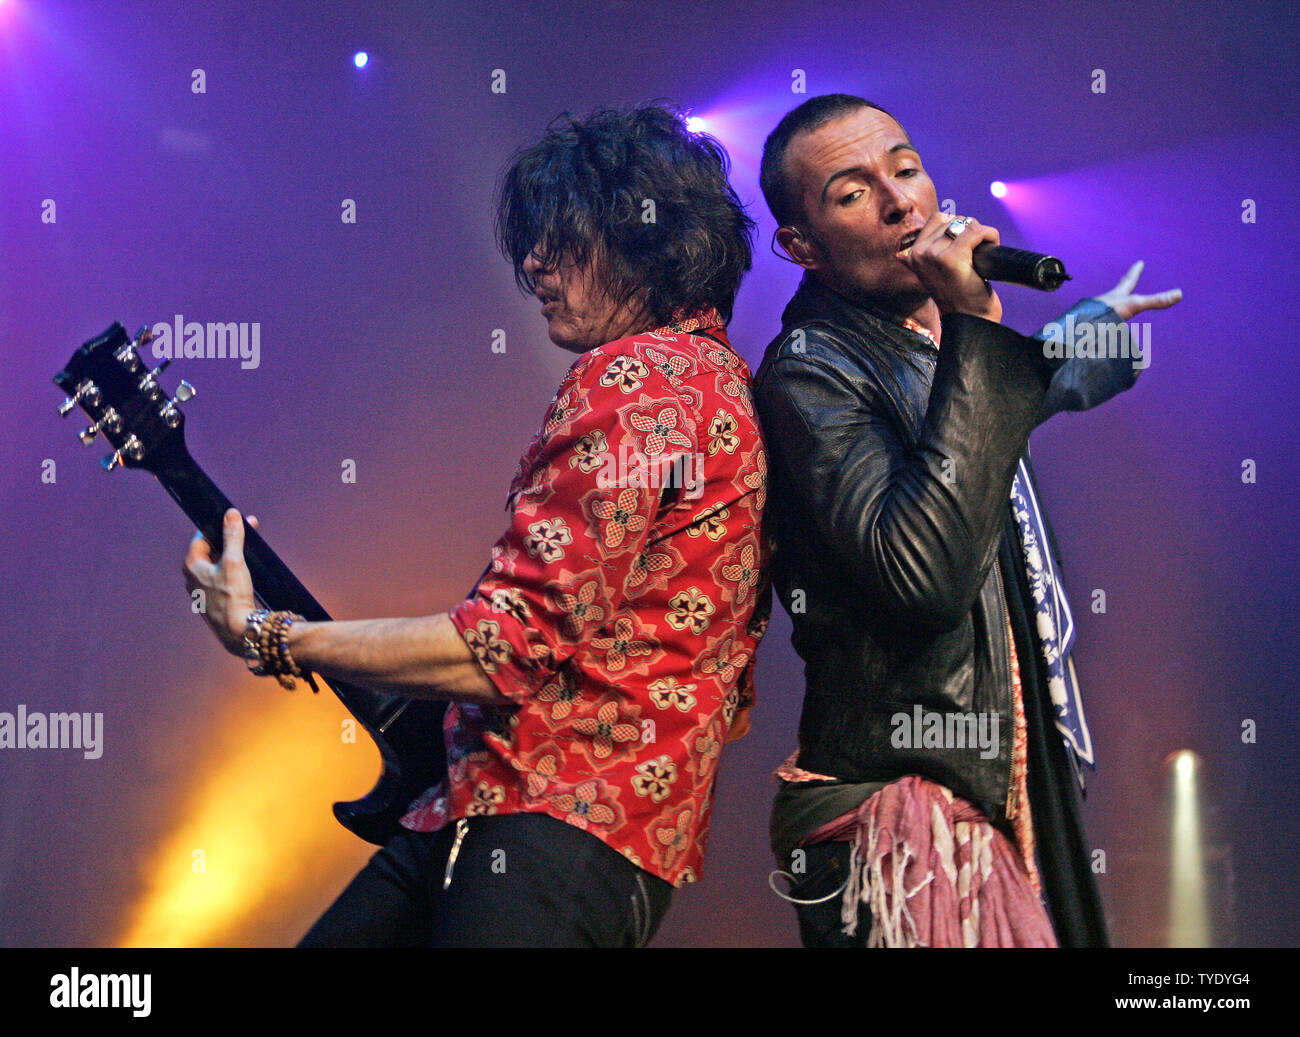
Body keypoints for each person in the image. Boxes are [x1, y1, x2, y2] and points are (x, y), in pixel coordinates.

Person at [183, 103, 768, 947]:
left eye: (558, 239)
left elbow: (502, 647)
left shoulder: (636, 375)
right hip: (537, 820)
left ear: (645, 241)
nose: (532, 264)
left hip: (546, 825)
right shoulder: (718, 384)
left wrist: (269, 634)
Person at [753, 94, 1181, 947]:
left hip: (991, 791)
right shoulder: (810, 373)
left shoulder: (922, 351)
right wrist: (978, 323)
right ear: (801, 246)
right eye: (852, 192)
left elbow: (1015, 398)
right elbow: (925, 572)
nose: (901, 200)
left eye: (905, 169)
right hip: (901, 817)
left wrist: (1099, 333)